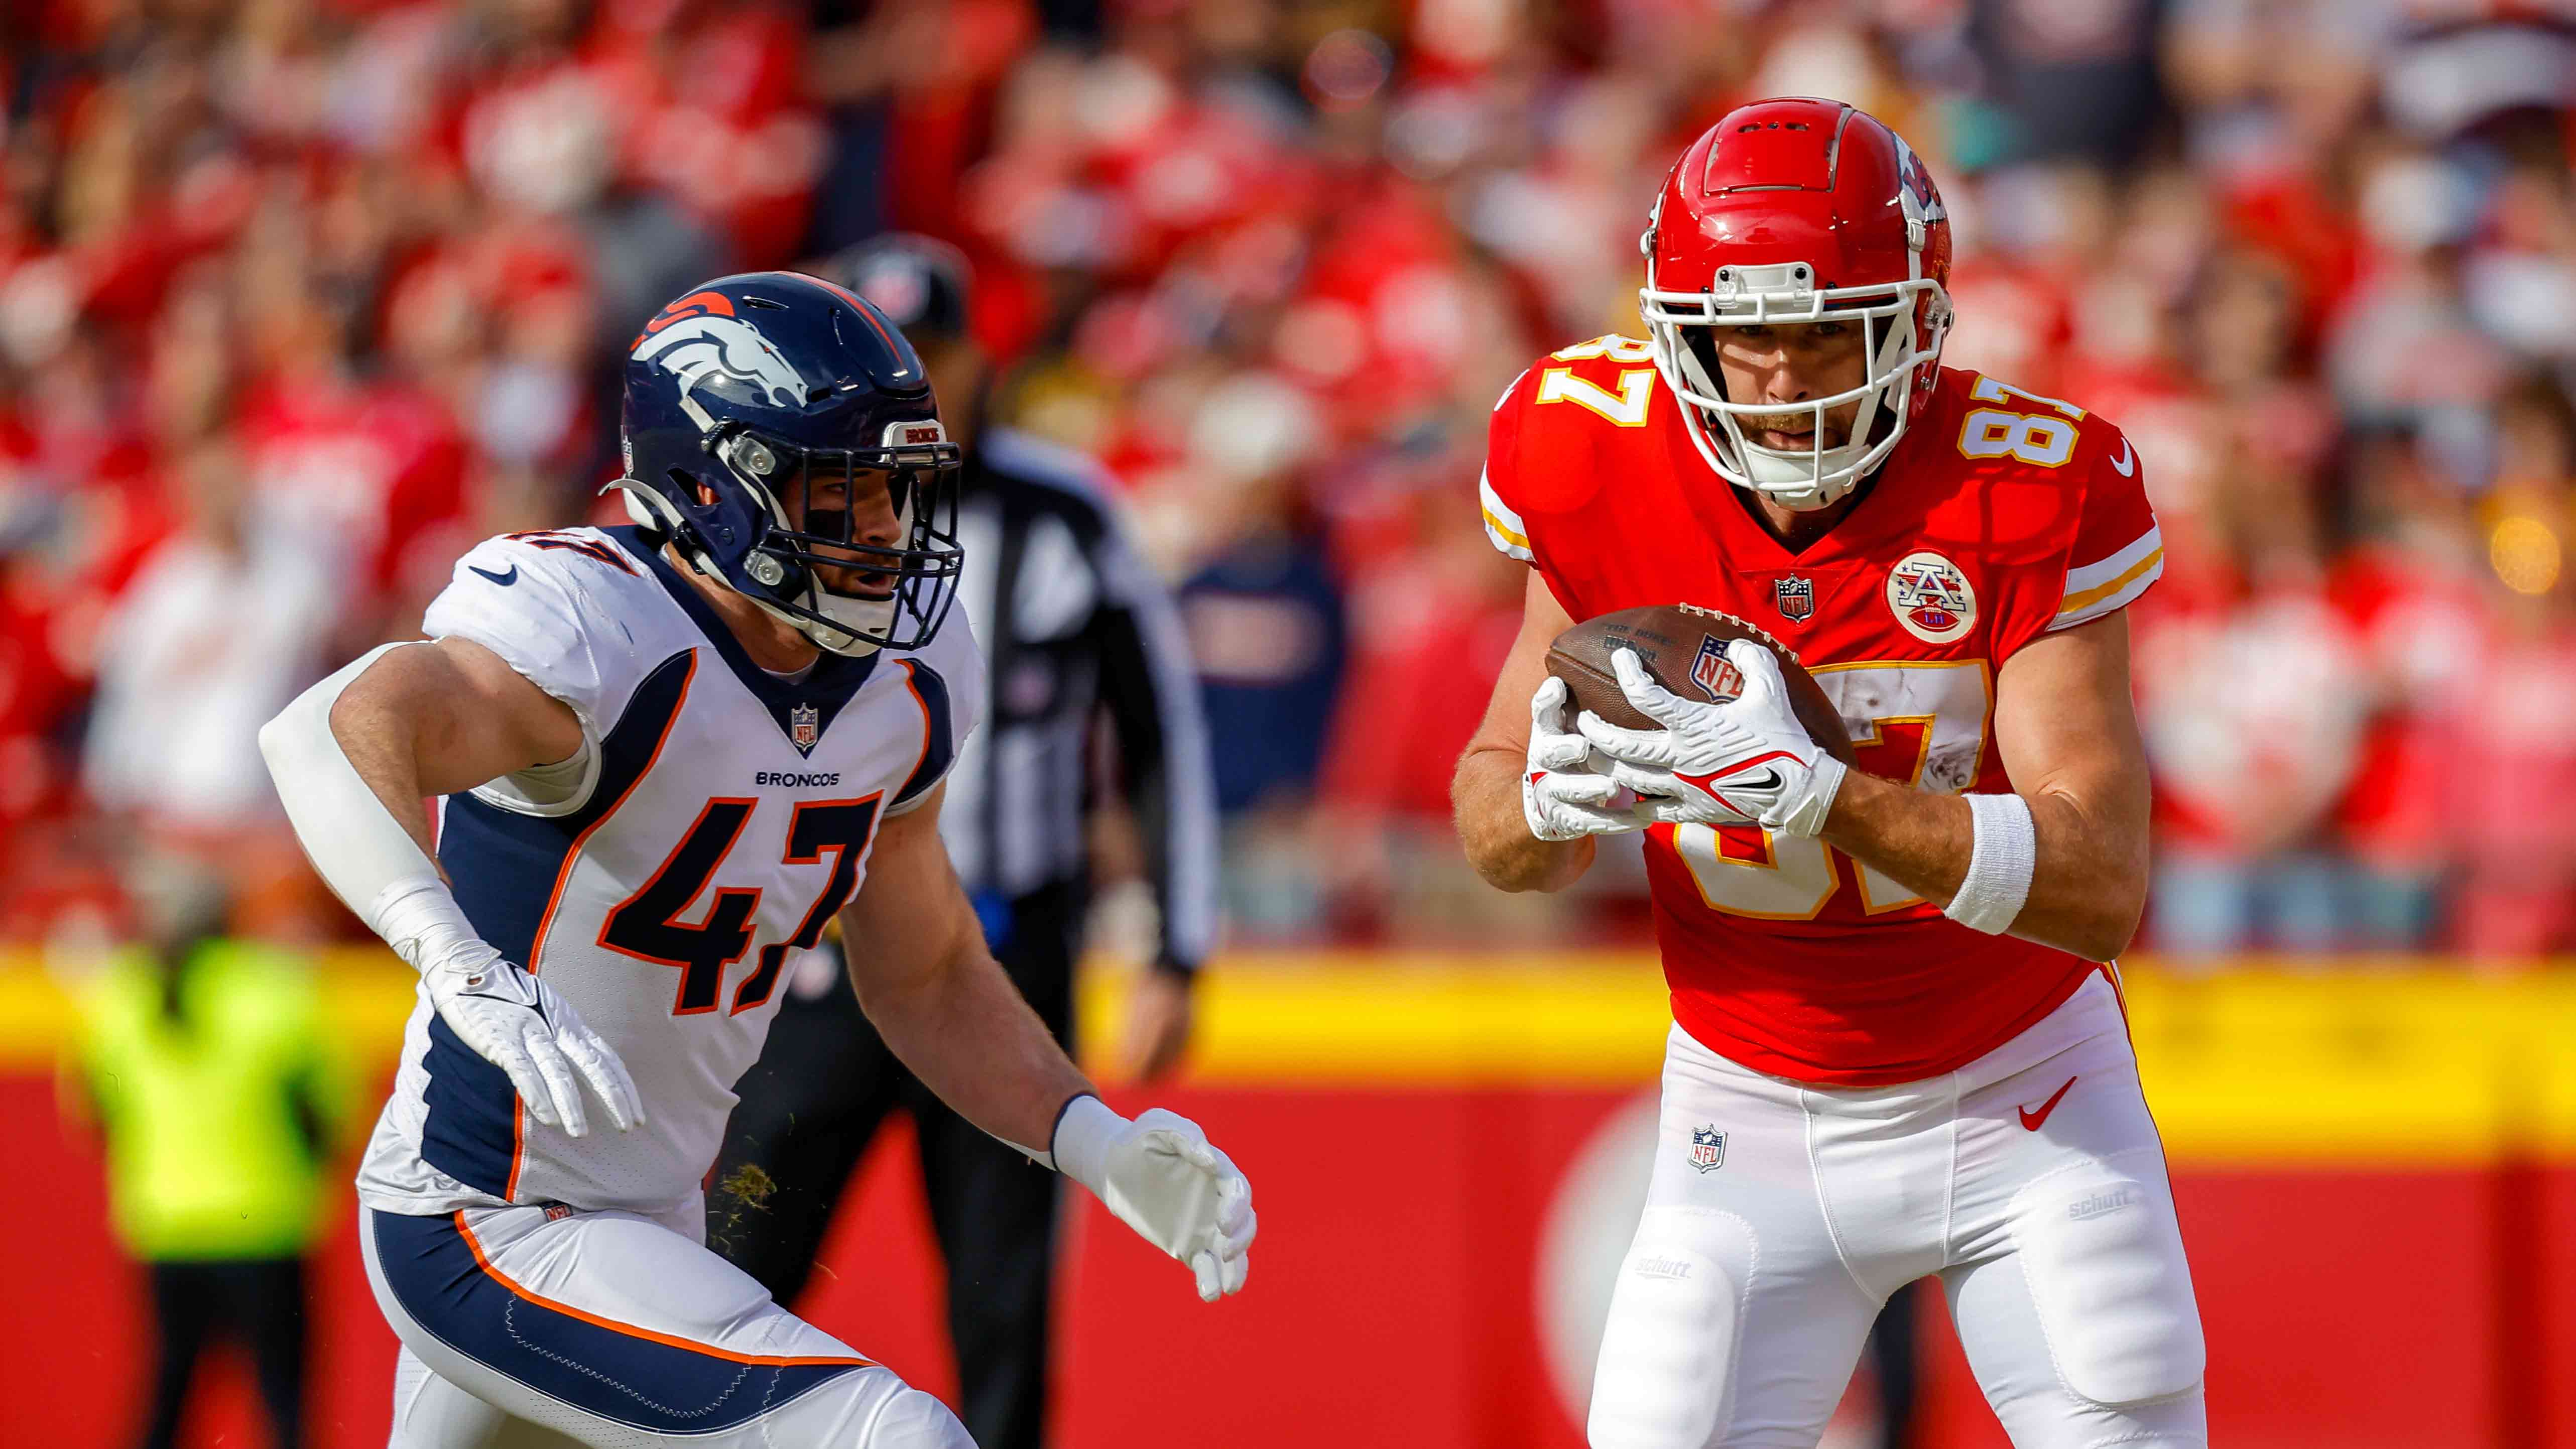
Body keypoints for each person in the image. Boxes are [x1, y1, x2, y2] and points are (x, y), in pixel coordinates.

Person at [257, 272, 1255, 1448]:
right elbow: (324, 727)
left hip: (653, 1215)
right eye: (844, 491)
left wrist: (1097, 1140)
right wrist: (450, 953)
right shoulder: (597, 625)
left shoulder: (909, 676)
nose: (888, 529)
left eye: (900, 489)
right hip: (488, 1216)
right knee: (894, 1437)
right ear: (715, 488)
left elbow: (927, 971)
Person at [1452, 100, 2203, 1447]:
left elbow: (2099, 884)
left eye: (1824, 328)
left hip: (2021, 1088)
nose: (1787, 376)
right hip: (1744, 1104)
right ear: (1682, 326)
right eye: (1748, 334)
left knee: (2125, 1405)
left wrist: (1820, 792)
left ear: (1918, 323)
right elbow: (1496, 818)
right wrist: (1546, 801)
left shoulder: (2028, 483)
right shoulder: (1587, 455)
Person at [709, 235, 1218, 1449]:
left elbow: (1157, 733)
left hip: (1005, 958)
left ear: (977, 360)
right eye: (889, 357)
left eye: (929, 354)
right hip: (812, 961)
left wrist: (1175, 950)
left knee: (1003, 1297)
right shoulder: (780, 503)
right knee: (734, 1269)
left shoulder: (1062, 513)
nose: (914, 386)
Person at [62, 852, 351, 1449]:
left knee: (169, 1394)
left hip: (164, 1224)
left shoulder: (120, 998)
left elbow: (94, 1114)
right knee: (283, 1402)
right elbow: (328, 1119)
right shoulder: (273, 992)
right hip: (267, 1224)